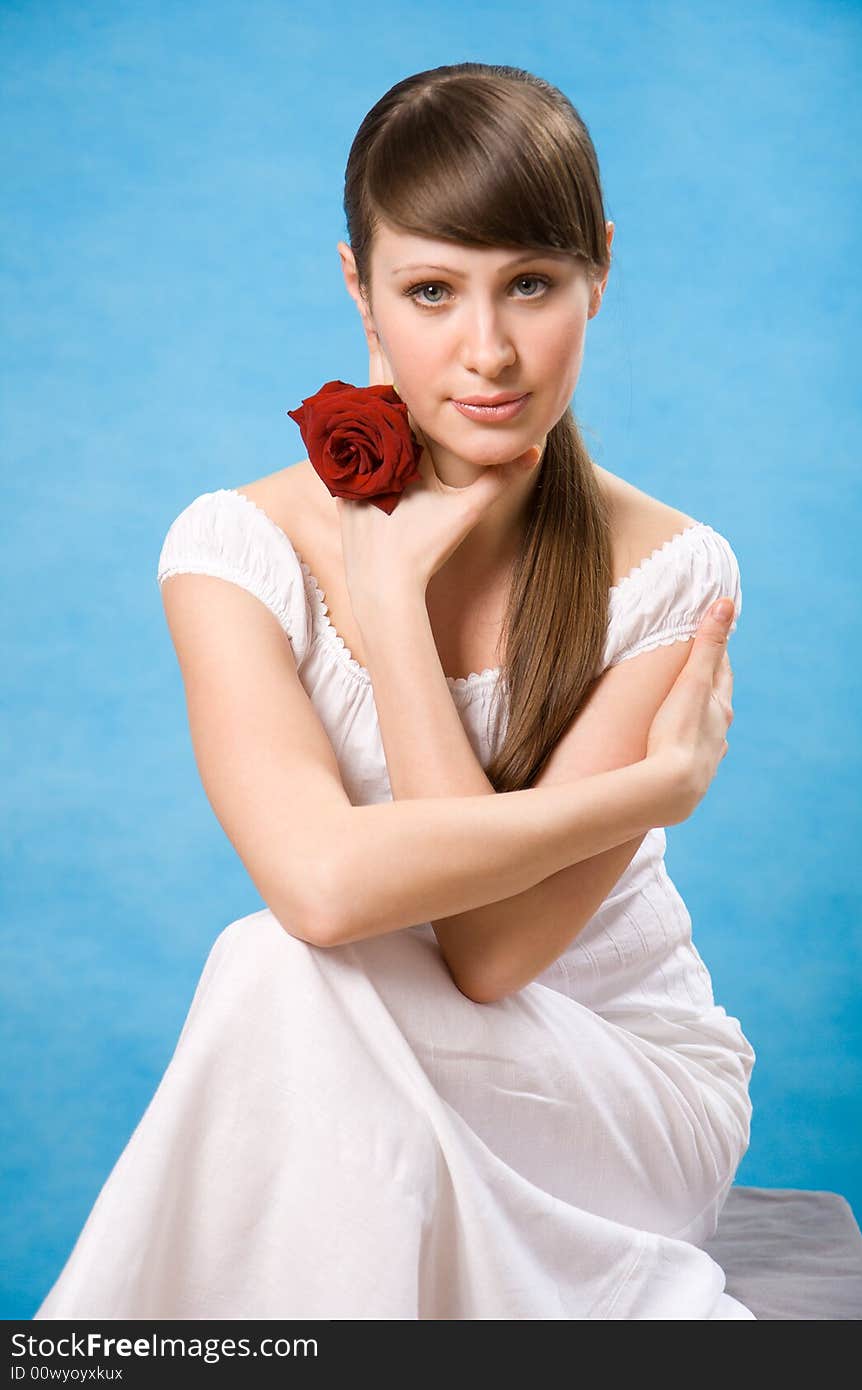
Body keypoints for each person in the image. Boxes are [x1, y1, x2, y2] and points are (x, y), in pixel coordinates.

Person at [34, 62, 755, 1320]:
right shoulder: (231, 551)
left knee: (278, 974)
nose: (487, 350)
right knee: (285, 969)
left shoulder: (670, 571)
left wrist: (392, 619)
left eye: (531, 283)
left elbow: (488, 956)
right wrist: (655, 790)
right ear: (358, 289)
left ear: (599, 270)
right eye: (431, 291)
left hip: (616, 1093)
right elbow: (318, 890)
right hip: (356, 1056)